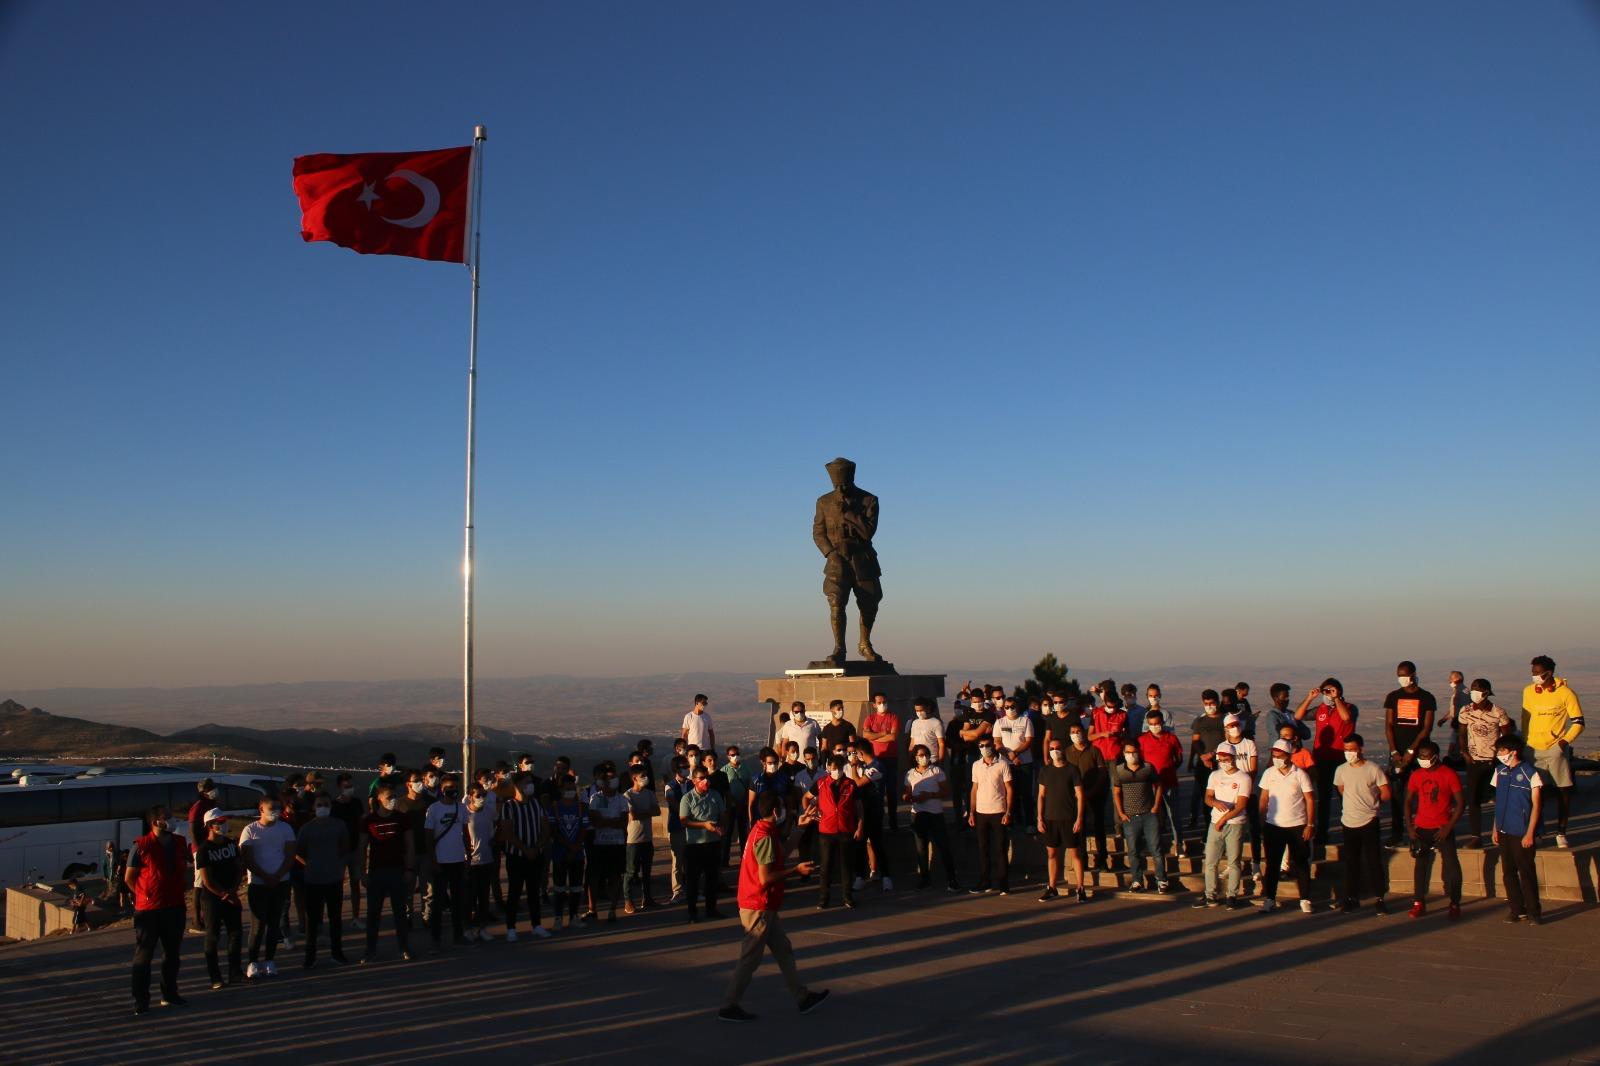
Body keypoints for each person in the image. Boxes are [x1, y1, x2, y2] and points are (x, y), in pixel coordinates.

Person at [718, 793, 828, 1023]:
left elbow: (782, 853)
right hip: (758, 904)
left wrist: (800, 829)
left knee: (783, 950)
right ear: (776, 812)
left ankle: (802, 997)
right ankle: (729, 1004)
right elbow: (766, 877)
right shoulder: (765, 837)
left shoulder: (762, 830)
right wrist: (796, 871)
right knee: (750, 958)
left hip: (763, 904)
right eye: (783, 808)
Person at [127, 805, 190, 1015]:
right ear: (156, 822)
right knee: (144, 956)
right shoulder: (142, 846)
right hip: (149, 910)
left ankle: (170, 993)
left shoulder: (179, 843)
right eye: (168, 817)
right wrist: (144, 895)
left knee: (172, 954)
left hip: (175, 906)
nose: (172, 820)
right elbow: (130, 877)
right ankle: (141, 1000)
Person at [1523, 654, 1583, 849]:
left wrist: (1563, 744)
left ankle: (1561, 832)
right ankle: (1538, 831)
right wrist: (1525, 743)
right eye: (1533, 673)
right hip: (1533, 748)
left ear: (1549, 673)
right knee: (1536, 793)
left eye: (1538, 673)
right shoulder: (1529, 691)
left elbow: (1578, 723)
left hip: (1555, 748)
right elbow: (1526, 718)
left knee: (1562, 792)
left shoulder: (1566, 693)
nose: (1534, 676)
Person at [1295, 678, 1355, 855]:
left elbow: (1346, 717)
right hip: (1322, 758)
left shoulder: (1349, 707)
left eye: (1331, 691)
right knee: (1324, 797)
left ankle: (1349, 831)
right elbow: (1298, 716)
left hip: (1341, 758)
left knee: (1345, 796)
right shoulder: (1320, 710)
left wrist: (1337, 699)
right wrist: (1310, 698)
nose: (1328, 695)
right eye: (1325, 692)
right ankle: (1322, 833)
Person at [238, 796, 296, 978]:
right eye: (271, 808)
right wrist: (265, 876)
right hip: (258, 885)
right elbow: (247, 859)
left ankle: (270, 960)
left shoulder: (285, 828)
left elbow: (290, 855)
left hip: (281, 883)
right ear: (261, 809)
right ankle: (253, 962)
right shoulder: (250, 830)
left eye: (278, 808)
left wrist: (278, 876)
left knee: (274, 924)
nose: (275, 811)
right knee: (257, 926)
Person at [1405, 739, 1463, 920]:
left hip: (1442, 828)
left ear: (1436, 757)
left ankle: (1454, 903)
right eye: (1420, 756)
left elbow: (1461, 803)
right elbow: (1407, 801)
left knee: (1452, 866)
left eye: (1426, 756)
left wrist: (1448, 827)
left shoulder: (1448, 774)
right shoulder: (1416, 775)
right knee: (1420, 866)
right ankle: (1418, 902)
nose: (1423, 759)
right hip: (1421, 827)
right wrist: (1410, 827)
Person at [1333, 733, 1390, 915]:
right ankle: (1351, 898)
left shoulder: (1373, 769)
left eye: (1352, 749)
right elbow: (1341, 789)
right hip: (1348, 821)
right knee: (1351, 862)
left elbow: (1386, 793)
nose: (1349, 753)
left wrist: (1374, 805)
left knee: (1374, 861)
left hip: (1369, 820)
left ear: (1361, 749)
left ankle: (1380, 898)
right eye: (1346, 750)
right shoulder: (1341, 770)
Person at [1257, 740, 1315, 914]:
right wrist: (1262, 821)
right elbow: (1263, 798)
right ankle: (1270, 898)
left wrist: (1310, 824)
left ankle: (1304, 898)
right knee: (1272, 864)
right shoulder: (1268, 773)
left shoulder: (1300, 774)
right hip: (1274, 826)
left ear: (1289, 756)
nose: (1276, 759)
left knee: (1301, 863)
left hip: (1297, 826)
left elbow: (1310, 800)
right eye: (1274, 756)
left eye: (1280, 756)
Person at [1383, 662, 1437, 848]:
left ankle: (1424, 834)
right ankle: (1397, 833)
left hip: (1420, 754)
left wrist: (1412, 750)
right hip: (1397, 754)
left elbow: (1426, 727)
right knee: (1397, 796)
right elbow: (1389, 725)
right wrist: (1394, 751)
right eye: (1399, 674)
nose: (1402, 678)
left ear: (1413, 674)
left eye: (1404, 674)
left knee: (1423, 795)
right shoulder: (1393, 697)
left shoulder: (1426, 697)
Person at [360, 783, 414, 963]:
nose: (392, 800)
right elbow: (362, 848)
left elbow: (409, 845)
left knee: (400, 913)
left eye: (394, 797)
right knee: (373, 914)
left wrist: (409, 869)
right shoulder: (369, 820)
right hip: (377, 872)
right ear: (379, 799)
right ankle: (370, 950)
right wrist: (363, 873)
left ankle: (404, 947)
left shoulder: (402, 818)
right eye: (389, 797)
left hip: (398, 870)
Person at [1492, 736, 1543, 923]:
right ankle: (1516, 910)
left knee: (1527, 873)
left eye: (1502, 751)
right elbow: (1498, 803)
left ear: (1514, 752)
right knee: (1508, 873)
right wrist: (1495, 828)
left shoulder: (1530, 772)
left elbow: (1536, 806)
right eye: (1498, 751)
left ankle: (1534, 913)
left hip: (1522, 833)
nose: (1499, 754)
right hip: (1504, 831)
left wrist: (1530, 833)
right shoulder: (1499, 771)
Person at [296, 791, 350, 966]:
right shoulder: (307, 828)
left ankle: (337, 952)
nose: (323, 807)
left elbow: (344, 847)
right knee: (312, 921)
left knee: (335, 919)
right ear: (313, 807)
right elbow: (298, 852)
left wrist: (338, 865)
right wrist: (309, 864)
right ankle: (310, 956)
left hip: (333, 879)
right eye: (319, 804)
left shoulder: (339, 825)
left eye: (326, 804)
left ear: (331, 806)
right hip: (313, 880)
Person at [1194, 742, 1251, 908]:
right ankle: (1210, 894)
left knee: (1233, 861)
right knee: (1211, 861)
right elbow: (1208, 797)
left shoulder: (1243, 778)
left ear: (1233, 758)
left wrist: (1223, 819)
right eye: (1221, 759)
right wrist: (1215, 803)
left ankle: (1232, 895)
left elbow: (1241, 805)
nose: (1224, 762)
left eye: (1226, 758)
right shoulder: (1215, 776)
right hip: (1215, 823)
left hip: (1234, 823)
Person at [1456, 679, 1512, 845]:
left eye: (1477, 690)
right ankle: (1476, 836)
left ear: (1486, 692)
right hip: (1473, 761)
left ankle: (1502, 832)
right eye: (1472, 689)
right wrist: (1464, 753)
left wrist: (1499, 757)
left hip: (1494, 762)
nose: (1474, 693)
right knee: (1473, 799)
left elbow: (1506, 737)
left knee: (1500, 798)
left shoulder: (1498, 712)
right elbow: (1461, 733)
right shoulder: (1465, 711)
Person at [194, 808, 243, 989]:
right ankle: (215, 977)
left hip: (231, 894)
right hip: (213, 899)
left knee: (235, 934)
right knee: (213, 937)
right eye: (219, 822)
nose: (223, 825)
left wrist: (233, 891)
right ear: (210, 826)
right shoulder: (204, 850)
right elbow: (207, 880)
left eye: (224, 822)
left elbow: (239, 868)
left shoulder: (230, 843)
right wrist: (223, 894)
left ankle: (235, 972)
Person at [498, 771, 549, 941]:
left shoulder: (537, 804)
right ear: (518, 785)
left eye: (531, 782)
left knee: (534, 891)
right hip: (517, 855)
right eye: (527, 782)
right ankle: (511, 927)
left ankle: (537, 924)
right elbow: (507, 832)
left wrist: (537, 846)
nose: (530, 786)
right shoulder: (509, 806)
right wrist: (525, 849)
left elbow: (545, 827)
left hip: (536, 853)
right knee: (515, 891)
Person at [1113, 741, 1169, 893]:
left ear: (1139, 752)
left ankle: (1162, 880)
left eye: (1134, 752)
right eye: (1128, 752)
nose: (1131, 755)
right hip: (1130, 818)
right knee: (1133, 851)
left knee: (1156, 848)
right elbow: (1116, 792)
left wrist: (1156, 806)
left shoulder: (1148, 768)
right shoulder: (1119, 771)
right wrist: (1121, 813)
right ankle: (1137, 881)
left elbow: (1158, 786)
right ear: (1124, 754)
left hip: (1149, 815)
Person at [1037, 738, 1088, 902]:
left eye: (1057, 748)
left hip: (1069, 818)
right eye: (1051, 748)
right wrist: (1039, 818)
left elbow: (1080, 795)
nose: (1054, 751)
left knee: (1075, 854)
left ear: (1063, 749)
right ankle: (1052, 887)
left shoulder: (1072, 770)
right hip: (1050, 818)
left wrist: (1079, 818)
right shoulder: (1045, 771)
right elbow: (1041, 795)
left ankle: (1081, 888)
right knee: (1051, 853)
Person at [903, 743, 959, 892]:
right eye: (920, 755)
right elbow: (907, 793)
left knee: (943, 847)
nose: (924, 758)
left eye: (926, 754)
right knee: (921, 849)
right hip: (918, 814)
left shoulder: (936, 771)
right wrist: (909, 797)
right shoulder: (910, 774)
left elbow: (946, 791)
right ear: (915, 758)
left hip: (935, 813)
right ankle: (925, 879)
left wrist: (930, 795)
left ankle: (951, 879)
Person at [814, 753, 863, 908]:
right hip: (826, 830)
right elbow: (806, 797)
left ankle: (847, 897)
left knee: (846, 866)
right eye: (834, 768)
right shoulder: (821, 783)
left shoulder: (851, 784)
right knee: (825, 866)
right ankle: (824, 898)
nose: (836, 771)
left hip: (846, 829)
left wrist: (860, 826)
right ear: (829, 768)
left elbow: (859, 807)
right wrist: (814, 811)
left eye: (839, 768)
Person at [1064, 717, 1111, 871]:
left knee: (1098, 826)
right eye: (1073, 732)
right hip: (1075, 798)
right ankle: (1082, 861)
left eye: (1078, 732)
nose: (1076, 734)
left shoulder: (1094, 750)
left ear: (1083, 733)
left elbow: (1102, 772)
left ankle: (1102, 859)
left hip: (1094, 794)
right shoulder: (1067, 753)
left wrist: (1093, 791)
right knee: (1079, 829)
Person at [680, 765, 726, 922]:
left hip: (713, 843)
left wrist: (720, 827)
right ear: (694, 781)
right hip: (695, 845)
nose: (706, 781)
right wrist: (703, 825)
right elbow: (684, 821)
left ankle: (711, 909)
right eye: (702, 778)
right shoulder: (687, 798)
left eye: (707, 778)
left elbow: (722, 814)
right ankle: (692, 913)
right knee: (692, 881)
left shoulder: (715, 795)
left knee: (712, 880)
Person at [586, 762, 629, 923]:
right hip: (599, 843)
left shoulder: (622, 799)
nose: (614, 780)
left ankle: (612, 909)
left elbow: (623, 822)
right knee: (594, 877)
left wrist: (606, 821)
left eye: (615, 777)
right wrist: (612, 821)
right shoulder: (595, 798)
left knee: (615, 877)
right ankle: (592, 909)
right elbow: (594, 821)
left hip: (616, 843)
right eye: (610, 778)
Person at [1137, 708, 1184, 851]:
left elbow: (1179, 757)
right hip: (1150, 785)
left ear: (1162, 723)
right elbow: (1139, 761)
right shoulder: (1142, 740)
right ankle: (1153, 845)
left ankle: (1179, 844)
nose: (1154, 726)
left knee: (1174, 814)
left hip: (1169, 782)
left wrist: (1170, 769)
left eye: (1157, 723)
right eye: (1151, 724)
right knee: (1151, 816)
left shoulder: (1171, 738)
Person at [849, 742, 892, 891]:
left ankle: (886, 876)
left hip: (874, 812)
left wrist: (853, 766)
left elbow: (858, 783)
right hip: (863, 812)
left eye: (856, 754)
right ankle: (860, 876)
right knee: (860, 845)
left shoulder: (876, 766)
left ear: (861, 753)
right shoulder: (867, 767)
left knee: (877, 844)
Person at [548, 775, 588, 929]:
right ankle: (558, 917)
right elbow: (553, 831)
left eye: (572, 788)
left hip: (577, 854)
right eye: (567, 789)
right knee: (559, 887)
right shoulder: (555, 807)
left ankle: (574, 916)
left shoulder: (581, 807)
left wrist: (576, 846)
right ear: (561, 790)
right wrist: (568, 846)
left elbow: (584, 828)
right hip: (560, 853)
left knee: (576, 887)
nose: (570, 791)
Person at [1224, 713, 1262, 870]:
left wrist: (1246, 790)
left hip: (1249, 794)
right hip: (1230, 796)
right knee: (1232, 831)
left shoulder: (1249, 744)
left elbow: (1253, 770)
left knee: (1254, 829)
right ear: (1226, 728)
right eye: (1231, 725)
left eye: (1237, 724)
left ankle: (1256, 864)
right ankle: (1232, 863)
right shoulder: (1223, 747)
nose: (1235, 728)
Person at [463, 784, 499, 941]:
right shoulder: (464, 813)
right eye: (478, 795)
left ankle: (481, 927)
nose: (481, 798)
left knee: (484, 897)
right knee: (469, 898)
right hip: (470, 862)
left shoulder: (489, 811)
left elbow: (499, 823)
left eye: (483, 795)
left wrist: (495, 839)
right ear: (470, 796)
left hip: (487, 859)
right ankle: (467, 928)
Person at [621, 766, 660, 913]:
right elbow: (633, 815)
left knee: (647, 870)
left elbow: (656, 811)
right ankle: (628, 900)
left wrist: (642, 812)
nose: (645, 778)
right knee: (631, 872)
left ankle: (647, 898)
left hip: (647, 838)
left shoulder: (649, 794)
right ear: (634, 778)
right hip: (633, 840)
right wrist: (647, 812)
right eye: (642, 775)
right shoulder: (627, 795)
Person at [995, 696, 1036, 831]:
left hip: (1024, 763)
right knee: (1009, 793)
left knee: (1026, 793)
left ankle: (1030, 822)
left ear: (1018, 707)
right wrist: (1010, 756)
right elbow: (997, 742)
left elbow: (1028, 741)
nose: (1009, 709)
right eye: (1007, 707)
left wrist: (1016, 754)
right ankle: (1012, 821)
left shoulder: (1025, 721)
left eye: (1012, 707)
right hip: (1006, 763)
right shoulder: (999, 722)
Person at [330, 773, 366, 928]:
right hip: (339, 851)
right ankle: (336, 918)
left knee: (355, 883)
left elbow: (360, 823)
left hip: (355, 849)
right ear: (339, 787)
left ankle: (356, 917)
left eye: (351, 786)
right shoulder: (334, 806)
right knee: (336, 886)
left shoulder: (357, 803)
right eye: (346, 786)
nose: (349, 789)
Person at [861, 693, 901, 831]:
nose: (882, 704)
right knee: (876, 791)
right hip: (875, 760)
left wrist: (874, 737)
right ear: (874, 704)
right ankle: (877, 821)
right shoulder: (870, 718)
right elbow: (865, 735)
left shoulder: (893, 717)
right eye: (879, 702)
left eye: (884, 701)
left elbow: (893, 737)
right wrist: (884, 734)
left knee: (891, 791)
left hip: (890, 758)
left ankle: (893, 822)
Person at [1189, 691, 1227, 831]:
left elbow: (1229, 740)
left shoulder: (1225, 719)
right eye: (1206, 704)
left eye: (1212, 703)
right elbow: (1195, 741)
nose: (1209, 706)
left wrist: (1212, 754)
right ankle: (1208, 830)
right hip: (1203, 765)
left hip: (1221, 764)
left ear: (1217, 702)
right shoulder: (1200, 721)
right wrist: (1202, 756)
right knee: (1206, 797)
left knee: (1222, 797)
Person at [186, 778, 218, 933]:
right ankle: (196, 921)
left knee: (210, 881)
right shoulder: (197, 808)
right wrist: (199, 850)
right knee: (199, 884)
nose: (213, 790)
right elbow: (192, 830)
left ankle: (209, 917)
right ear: (202, 792)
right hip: (200, 850)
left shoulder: (211, 805)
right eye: (210, 788)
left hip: (211, 847)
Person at [665, 756, 692, 902]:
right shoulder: (670, 786)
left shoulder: (690, 784)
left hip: (690, 827)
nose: (686, 769)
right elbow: (673, 804)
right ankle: (677, 890)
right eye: (683, 766)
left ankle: (691, 888)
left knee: (690, 860)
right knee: (677, 860)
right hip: (677, 827)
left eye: (687, 766)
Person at [907, 698, 945, 767]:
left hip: (932, 761)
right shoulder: (915, 722)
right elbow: (912, 742)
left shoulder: (936, 723)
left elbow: (941, 744)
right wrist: (910, 758)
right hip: (917, 761)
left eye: (921, 710)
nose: (919, 713)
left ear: (928, 708)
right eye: (917, 711)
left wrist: (940, 761)